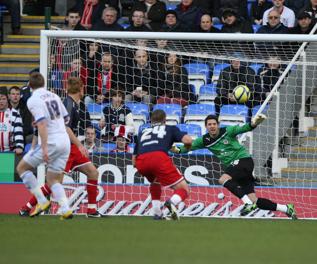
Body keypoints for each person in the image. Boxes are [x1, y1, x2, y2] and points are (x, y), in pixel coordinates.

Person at [171, 114, 297, 219]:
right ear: (206, 127)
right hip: (237, 168)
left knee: (223, 179)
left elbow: (244, 128)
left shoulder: (227, 131)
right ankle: (286, 208)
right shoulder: (204, 140)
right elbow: (186, 148)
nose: (212, 126)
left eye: (214, 124)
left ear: (218, 125)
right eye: (209, 124)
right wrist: (175, 149)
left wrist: (254, 123)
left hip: (244, 160)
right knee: (254, 200)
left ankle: (247, 204)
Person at [19, 77, 102, 218]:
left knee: (93, 172)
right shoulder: (68, 103)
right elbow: (66, 127)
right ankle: (26, 207)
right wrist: (80, 145)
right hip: (66, 145)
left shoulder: (74, 104)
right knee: (55, 181)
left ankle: (92, 210)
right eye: (83, 88)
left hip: (69, 146)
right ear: (80, 89)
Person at [16, 72, 72, 220]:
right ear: (44, 83)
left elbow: (41, 123)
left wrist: (45, 148)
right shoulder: (54, 96)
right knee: (53, 179)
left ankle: (41, 201)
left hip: (52, 141)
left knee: (22, 168)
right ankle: (65, 208)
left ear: (29, 85)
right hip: (65, 141)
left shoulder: (33, 99)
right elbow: (66, 118)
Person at [133, 109, 193, 220]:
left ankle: (157, 212)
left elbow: (133, 160)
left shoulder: (143, 132)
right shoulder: (170, 128)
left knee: (155, 181)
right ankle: (172, 202)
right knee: (184, 189)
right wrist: (187, 148)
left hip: (141, 161)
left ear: (150, 120)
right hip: (158, 158)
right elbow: (188, 141)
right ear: (165, 120)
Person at [0, 88, 24, 153]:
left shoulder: (15, 113)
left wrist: (19, 146)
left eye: (3, 99)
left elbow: (18, 132)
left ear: (8, 99)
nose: (1, 101)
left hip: (9, 152)